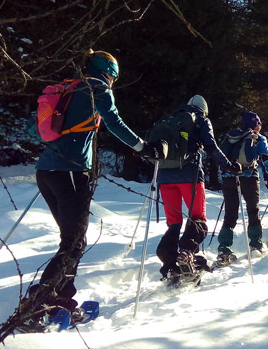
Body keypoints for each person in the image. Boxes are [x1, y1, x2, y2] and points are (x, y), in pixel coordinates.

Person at [25, 49, 167, 330]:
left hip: (46, 172)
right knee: (74, 242)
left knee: (71, 239)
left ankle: (62, 298)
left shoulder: (68, 87)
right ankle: (37, 304)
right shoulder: (98, 88)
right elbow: (114, 123)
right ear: (110, 73)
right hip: (72, 173)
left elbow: (34, 127)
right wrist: (143, 147)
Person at [155, 95, 239, 281]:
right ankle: (186, 253)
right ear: (203, 109)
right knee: (197, 218)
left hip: (164, 177)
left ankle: (169, 263)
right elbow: (210, 146)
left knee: (174, 222)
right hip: (189, 177)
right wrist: (228, 166)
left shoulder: (170, 119)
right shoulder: (201, 120)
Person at [216, 112, 268, 265]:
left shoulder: (232, 137)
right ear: (256, 123)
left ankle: (224, 248)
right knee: (252, 210)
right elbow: (264, 159)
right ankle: (255, 243)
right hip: (249, 177)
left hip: (229, 178)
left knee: (230, 213)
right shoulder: (258, 138)